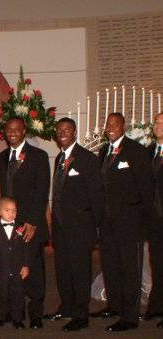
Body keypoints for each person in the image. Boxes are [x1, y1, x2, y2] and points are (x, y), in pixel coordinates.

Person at [93, 112, 154, 331]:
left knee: (130, 270)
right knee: (111, 266)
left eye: (115, 124)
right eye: (107, 124)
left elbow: (146, 189)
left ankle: (129, 317)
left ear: (123, 126)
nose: (110, 127)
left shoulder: (136, 151)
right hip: (107, 223)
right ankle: (115, 305)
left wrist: (145, 222)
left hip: (130, 223)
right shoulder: (103, 151)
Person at [45, 117, 104, 331]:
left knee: (80, 271)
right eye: (59, 129)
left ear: (75, 132)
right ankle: (66, 307)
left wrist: (95, 228)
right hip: (60, 227)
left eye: (67, 129)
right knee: (63, 269)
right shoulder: (59, 158)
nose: (62, 132)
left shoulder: (87, 158)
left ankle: (81, 315)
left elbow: (97, 195)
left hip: (80, 227)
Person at [0, 116, 50, 329]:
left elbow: (42, 191)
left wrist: (32, 222)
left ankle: (36, 314)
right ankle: (11, 311)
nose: (13, 132)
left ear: (24, 130)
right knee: (9, 268)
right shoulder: (1, 157)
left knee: (34, 269)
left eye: (17, 129)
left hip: (30, 225)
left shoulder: (38, 156)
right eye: (9, 129)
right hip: (8, 223)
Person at [0, 196, 29, 330]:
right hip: (1, 270)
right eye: (7, 210)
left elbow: (25, 249)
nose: (11, 213)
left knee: (18, 294)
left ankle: (17, 319)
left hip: (17, 269)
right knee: (1, 294)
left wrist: (26, 265)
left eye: (14, 210)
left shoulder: (20, 229)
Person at [145, 112, 163, 328]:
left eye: (161, 123)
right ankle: (157, 305)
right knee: (157, 262)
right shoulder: (148, 151)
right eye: (156, 123)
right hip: (154, 219)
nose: (157, 126)